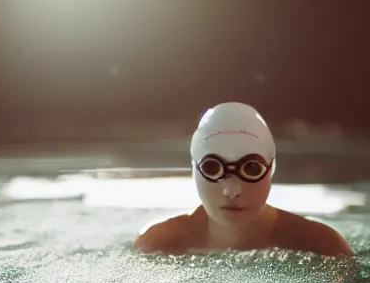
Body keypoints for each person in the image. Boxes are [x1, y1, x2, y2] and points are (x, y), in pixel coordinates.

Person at [134, 102, 353, 257]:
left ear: (271, 171)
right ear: (195, 171)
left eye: (251, 168)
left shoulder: (320, 245)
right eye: (212, 168)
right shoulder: (160, 241)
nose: (232, 190)